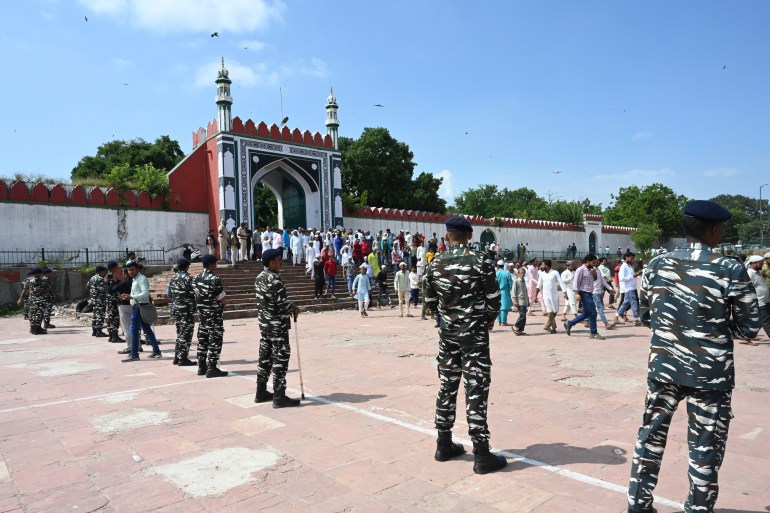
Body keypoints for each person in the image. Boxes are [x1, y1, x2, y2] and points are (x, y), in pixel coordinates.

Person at [626, 200, 760, 513]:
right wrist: (712, 327)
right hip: (710, 374)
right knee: (705, 446)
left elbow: (646, 316)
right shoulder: (730, 269)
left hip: (664, 366)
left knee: (650, 435)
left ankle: (638, 505)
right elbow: (749, 329)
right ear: (715, 230)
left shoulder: (657, 266)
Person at [424, 216, 506, 474]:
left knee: (447, 385)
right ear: (470, 236)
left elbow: (428, 302)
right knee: (476, 387)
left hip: (448, 335)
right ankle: (481, 453)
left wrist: (448, 317)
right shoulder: (481, 261)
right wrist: (487, 321)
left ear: (446, 236)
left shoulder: (435, 263)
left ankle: (443, 443)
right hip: (475, 337)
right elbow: (494, 299)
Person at [254, 248, 301, 407]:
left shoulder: (260, 277)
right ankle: (279, 396)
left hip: (265, 326)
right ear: (272, 262)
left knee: (265, 359)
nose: (281, 262)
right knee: (280, 359)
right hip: (277, 327)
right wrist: (293, 308)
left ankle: (260, 392)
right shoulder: (274, 279)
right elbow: (282, 304)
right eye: (279, 259)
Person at [192, 255, 228, 377]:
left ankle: (201, 366)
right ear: (211, 264)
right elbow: (222, 299)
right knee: (215, 340)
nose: (216, 266)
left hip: (202, 314)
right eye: (215, 264)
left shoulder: (196, 278)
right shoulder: (214, 278)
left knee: (203, 339)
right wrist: (223, 305)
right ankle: (212, 368)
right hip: (213, 314)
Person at [120, 261, 162, 361]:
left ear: (138, 269)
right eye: (129, 270)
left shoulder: (141, 279)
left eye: (133, 269)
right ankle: (156, 350)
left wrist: (131, 297)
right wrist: (128, 298)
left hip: (140, 306)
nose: (130, 272)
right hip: (138, 306)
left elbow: (145, 293)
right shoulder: (135, 279)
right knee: (147, 329)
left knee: (133, 330)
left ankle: (134, 354)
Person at [563, 254, 606, 339]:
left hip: (590, 293)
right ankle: (593, 332)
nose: (595, 263)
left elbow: (594, 279)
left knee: (587, 313)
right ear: (587, 261)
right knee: (593, 312)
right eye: (593, 262)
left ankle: (569, 324)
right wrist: (577, 294)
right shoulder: (580, 270)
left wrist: (594, 272)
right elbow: (576, 283)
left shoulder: (590, 270)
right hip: (584, 293)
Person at [169, 258, 197, 366]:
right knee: (186, 334)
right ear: (187, 267)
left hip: (176, 308)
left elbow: (171, 293)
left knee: (180, 333)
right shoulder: (188, 278)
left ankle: (177, 356)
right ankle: (183, 358)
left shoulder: (173, 277)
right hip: (186, 309)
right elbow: (194, 292)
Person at [536, 259, 565, 334]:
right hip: (545, 296)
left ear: (547, 265)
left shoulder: (555, 272)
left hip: (554, 295)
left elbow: (560, 282)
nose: (541, 266)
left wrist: (564, 292)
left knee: (555, 311)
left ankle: (547, 325)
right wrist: (535, 295)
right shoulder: (541, 274)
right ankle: (554, 328)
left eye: (542, 265)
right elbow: (539, 285)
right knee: (549, 312)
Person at [746, 255, 770, 341]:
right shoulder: (750, 274)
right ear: (753, 263)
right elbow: (747, 288)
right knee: (766, 321)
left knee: (760, 321)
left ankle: (747, 337)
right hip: (760, 302)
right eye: (760, 263)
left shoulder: (757, 273)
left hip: (765, 301)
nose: (762, 265)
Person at [615, 252, 642, 326]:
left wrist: (636, 275)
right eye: (631, 258)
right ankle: (636, 320)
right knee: (634, 303)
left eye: (633, 259)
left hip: (632, 287)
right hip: (628, 288)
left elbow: (632, 276)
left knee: (625, 304)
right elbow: (622, 278)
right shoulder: (623, 267)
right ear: (626, 257)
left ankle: (616, 317)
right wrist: (633, 276)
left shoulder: (629, 266)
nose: (633, 260)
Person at [21, 268, 47, 335]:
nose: (41, 274)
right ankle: (35, 330)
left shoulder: (28, 279)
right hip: (37, 300)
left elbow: (24, 290)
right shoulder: (37, 280)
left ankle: (36, 328)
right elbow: (37, 290)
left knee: (34, 314)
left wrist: (21, 298)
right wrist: (45, 290)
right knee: (36, 315)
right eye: (40, 273)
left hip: (34, 300)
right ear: (37, 273)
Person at [86, 265, 108, 337]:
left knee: (95, 314)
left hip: (94, 299)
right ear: (101, 271)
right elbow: (104, 289)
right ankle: (99, 331)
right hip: (100, 299)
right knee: (100, 315)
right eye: (104, 271)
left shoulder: (92, 278)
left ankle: (94, 331)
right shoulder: (100, 279)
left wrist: (93, 292)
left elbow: (87, 286)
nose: (105, 272)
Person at [104, 261, 122, 342]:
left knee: (110, 317)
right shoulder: (113, 276)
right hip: (114, 300)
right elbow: (111, 289)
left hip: (109, 299)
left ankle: (111, 335)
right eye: (116, 267)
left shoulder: (107, 276)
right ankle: (114, 336)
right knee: (114, 318)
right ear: (114, 267)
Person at [495, 259, 513, 327]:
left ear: (497, 266)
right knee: (504, 307)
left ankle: (499, 321)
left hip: (496, 292)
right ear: (503, 266)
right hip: (505, 291)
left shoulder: (495, 273)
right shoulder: (507, 273)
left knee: (498, 307)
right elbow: (511, 283)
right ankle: (503, 321)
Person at [512, 266, 529, 336]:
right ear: (518, 274)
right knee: (522, 315)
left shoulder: (524, 281)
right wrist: (515, 301)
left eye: (524, 273)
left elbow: (525, 291)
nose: (523, 274)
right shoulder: (516, 281)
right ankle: (515, 326)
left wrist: (528, 301)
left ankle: (520, 330)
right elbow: (513, 292)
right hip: (519, 301)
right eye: (521, 273)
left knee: (524, 317)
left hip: (524, 301)